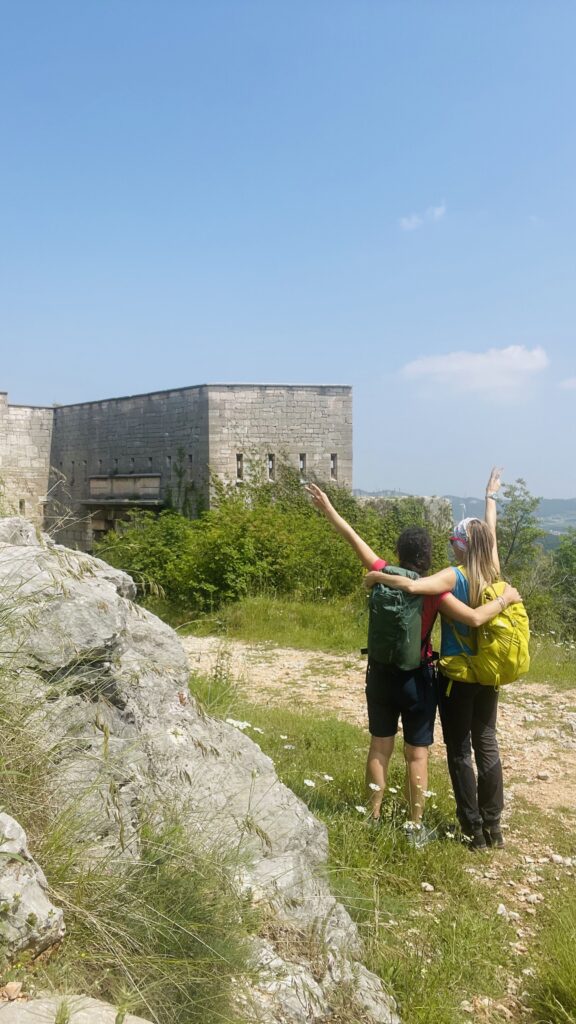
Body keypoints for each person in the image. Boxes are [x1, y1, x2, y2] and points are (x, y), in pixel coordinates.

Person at [306, 481, 520, 845]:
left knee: (379, 746)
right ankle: (415, 827)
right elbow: (471, 615)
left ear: (398, 553)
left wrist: (328, 509)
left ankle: (372, 816)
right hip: (419, 679)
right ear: (428, 555)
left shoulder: (383, 576)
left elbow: (354, 539)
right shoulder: (438, 591)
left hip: (380, 674)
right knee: (418, 754)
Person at [364, 468, 511, 851]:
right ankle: (494, 826)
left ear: (463, 546)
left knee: (460, 750)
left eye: (455, 541)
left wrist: (378, 578)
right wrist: (490, 497)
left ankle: (473, 830)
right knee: (487, 743)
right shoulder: (492, 570)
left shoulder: (453, 577)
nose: (451, 546)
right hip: (490, 674)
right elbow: (488, 537)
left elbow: (413, 585)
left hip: (458, 675)